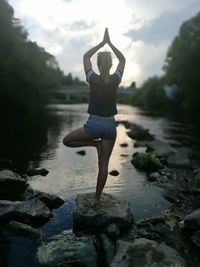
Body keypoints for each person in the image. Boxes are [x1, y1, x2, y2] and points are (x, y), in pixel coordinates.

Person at [63, 28, 126, 206]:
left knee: (67, 140)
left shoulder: (92, 78)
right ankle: (97, 199)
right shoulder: (115, 79)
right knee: (104, 164)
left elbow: (85, 57)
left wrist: (101, 43)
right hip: (110, 127)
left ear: (98, 64)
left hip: (94, 125)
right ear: (111, 65)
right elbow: (122, 59)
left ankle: (94, 144)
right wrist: (111, 44)